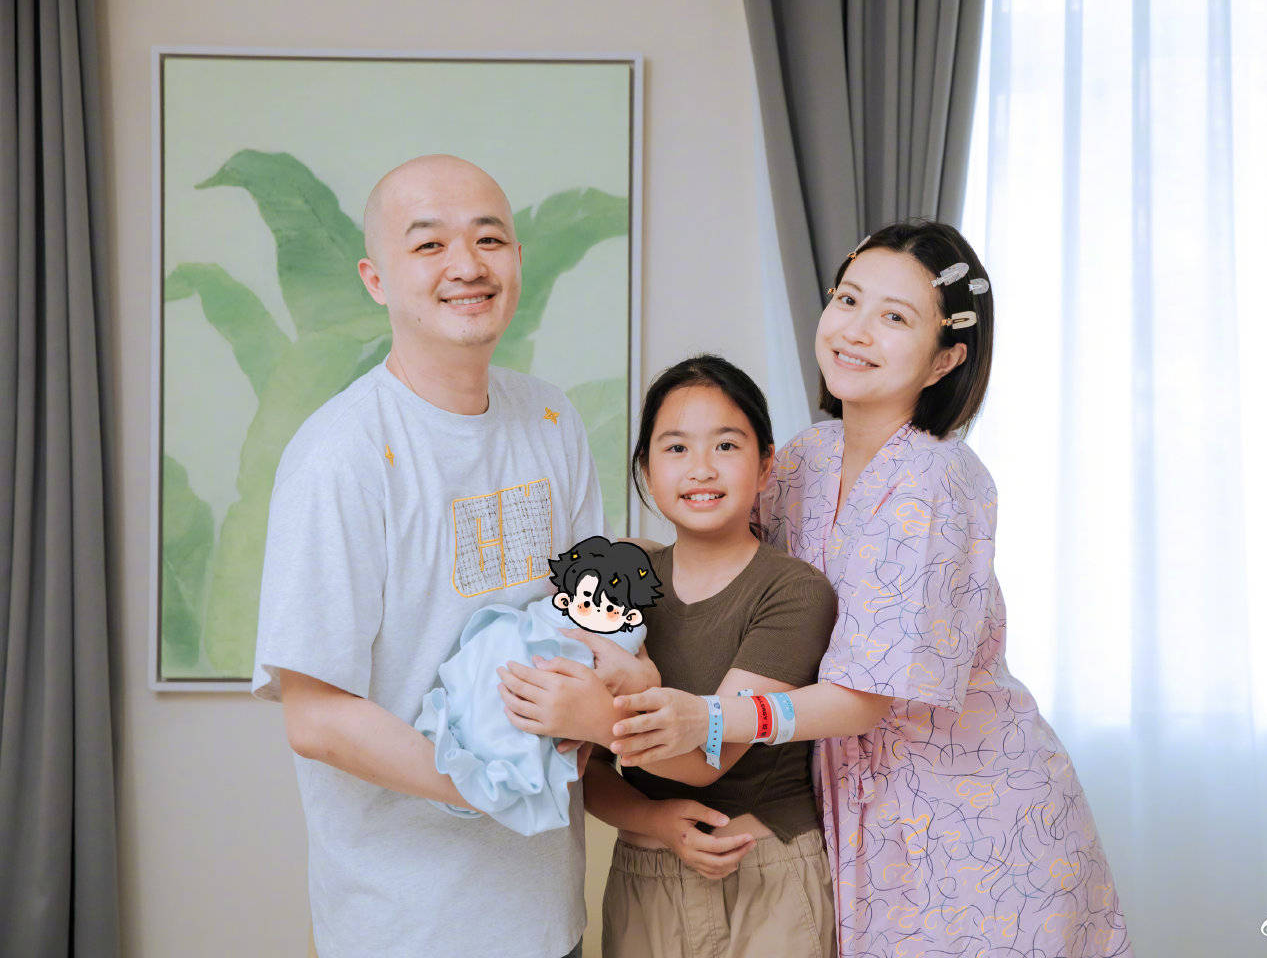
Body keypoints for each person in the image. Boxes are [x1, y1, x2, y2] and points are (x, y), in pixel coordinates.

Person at [606, 223, 1134, 957]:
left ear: (945, 358)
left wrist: (712, 719)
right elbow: (723, 558)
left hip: (972, 818)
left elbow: (865, 697)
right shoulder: (806, 458)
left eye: (895, 317)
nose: (856, 331)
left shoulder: (937, 481)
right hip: (856, 813)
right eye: (848, 300)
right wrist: (630, 563)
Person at [251, 154, 652, 958]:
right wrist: (491, 779)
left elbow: (598, 620)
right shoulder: (340, 455)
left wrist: (612, 693)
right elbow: (315, 716)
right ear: (375, 279)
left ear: (516, 260)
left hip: (547, 916)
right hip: (404, 925)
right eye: (429, 245)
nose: (467, 265)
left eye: (489, 239)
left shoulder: (552, 418)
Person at [498, 356, 840, 958]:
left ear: (765, 465)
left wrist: (594, 713)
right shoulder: (619, 587)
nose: (701, 468)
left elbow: (713, 756)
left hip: (767, 878)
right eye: (676, 448)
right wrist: (655, 822)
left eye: (726, 445)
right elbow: (586, 770)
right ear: (646, 470)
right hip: (644, 877)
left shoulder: (794, 591)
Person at [415, 537, 661, 835]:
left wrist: (642, 678)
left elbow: (620, 657)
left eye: (608, 608)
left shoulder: (623, 635)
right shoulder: (559, 602)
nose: (592, 609)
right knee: (498, 664)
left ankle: (492, 762)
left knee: (517, 718)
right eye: (586, 602)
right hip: (511, 654)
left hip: (554, 689)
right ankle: (479, 749)